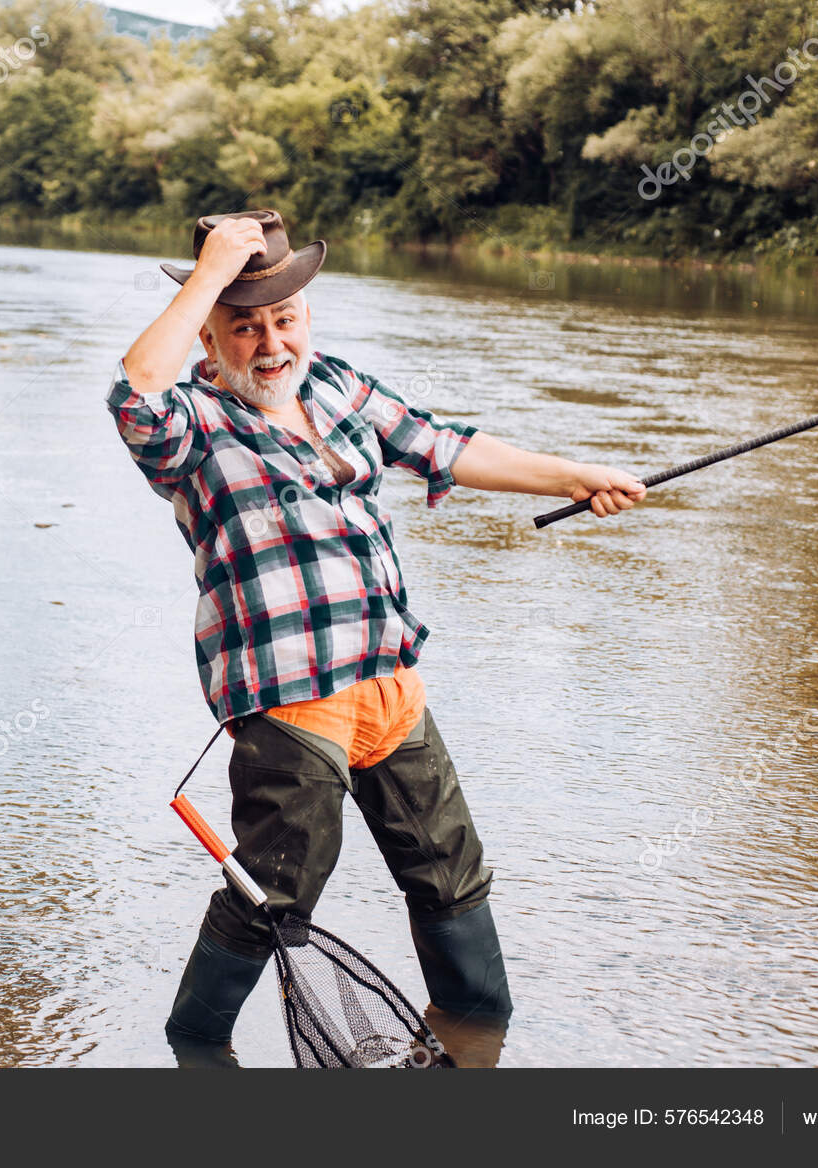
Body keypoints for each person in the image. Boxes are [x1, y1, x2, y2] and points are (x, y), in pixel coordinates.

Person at [106, 209, 646, 1055]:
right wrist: (207, 275)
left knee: (451, 877)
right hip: (291, 708)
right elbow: (134, 392)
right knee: (276, 897)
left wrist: (575, 474)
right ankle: (196, 1046)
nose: (270, 343)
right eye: (243, 328)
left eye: (284, 320)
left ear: (308, 320)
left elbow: (448, 448)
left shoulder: (341, 388)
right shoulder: (194, 427)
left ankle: (479, 1039)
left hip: (392, 689)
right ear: (208, 342)